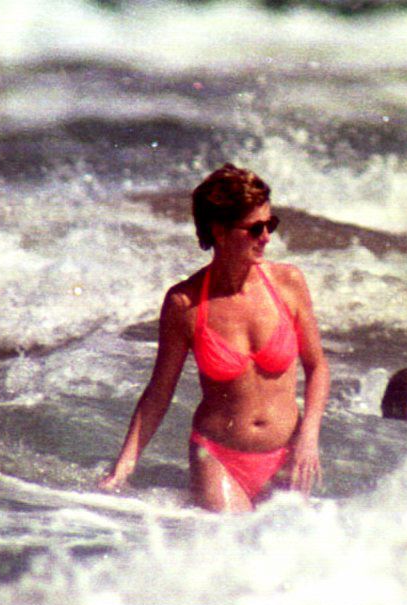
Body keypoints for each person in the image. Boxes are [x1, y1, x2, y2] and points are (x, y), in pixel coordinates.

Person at [98, 163, 330, 512]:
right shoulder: (185, 303)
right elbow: (160, 391)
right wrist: (124, 466)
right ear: (219, 231)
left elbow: (317, 366)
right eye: (254, 228)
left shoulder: (289, 283)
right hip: (218, 458)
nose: (267, 237)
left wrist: (309, 436)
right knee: (230, 539)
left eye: (270, 224)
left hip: (288, 454)